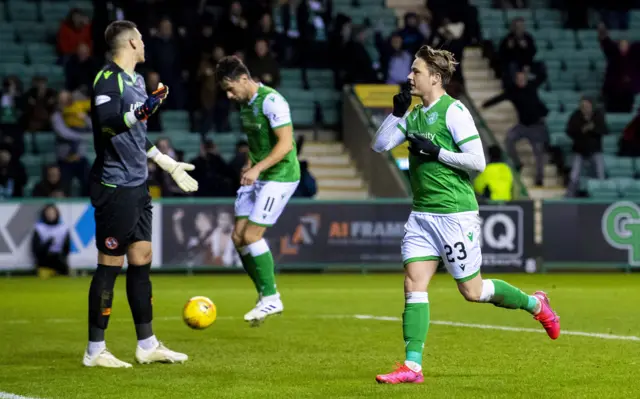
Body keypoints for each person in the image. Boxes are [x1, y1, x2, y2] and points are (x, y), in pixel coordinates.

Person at [370, 45, 560, 384]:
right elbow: (380, 146)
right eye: (411, 70)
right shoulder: (412, 115)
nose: (409, 76)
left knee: (472, 291)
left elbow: (478, 161)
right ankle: (412, 367)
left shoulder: (454, 112)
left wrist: (438, 152)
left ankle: (535, 303)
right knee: (413, 284)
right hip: (422, 216)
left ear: (436, 78)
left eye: (416, 71)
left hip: (454, 215)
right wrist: (395, 114)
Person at [84, 20, 198, 369]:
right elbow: (107, 122)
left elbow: (134, 134)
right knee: (110, 264)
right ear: (132, 43)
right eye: (142, 39)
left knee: (142, 258)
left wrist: (164, 161)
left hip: (137, 184)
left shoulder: (134, 81)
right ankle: (95, 350)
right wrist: (143, 110)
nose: (145, 43)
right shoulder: (108, 79)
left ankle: (146, 344)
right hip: (114, 185)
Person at [216, 55, 300, 326]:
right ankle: (264, 295)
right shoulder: (245, 105)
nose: (229, 96)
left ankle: (272, 297)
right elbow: (257, 143)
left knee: (252, 235)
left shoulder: (272, 101)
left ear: (244, 79)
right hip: (259, 174)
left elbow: (285, 144)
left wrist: (257, 168)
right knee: (238, 237)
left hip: (281, 175)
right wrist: (249, 165)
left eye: (231, 89)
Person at [31, 204, 71, 278]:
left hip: (59, 260)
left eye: (52, 213)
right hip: (44, 260)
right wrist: (48, 243)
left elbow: (67, 248)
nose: (50, 215)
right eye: (48, 213)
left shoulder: (63, 229)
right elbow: (35, 249)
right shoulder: (39, 228)